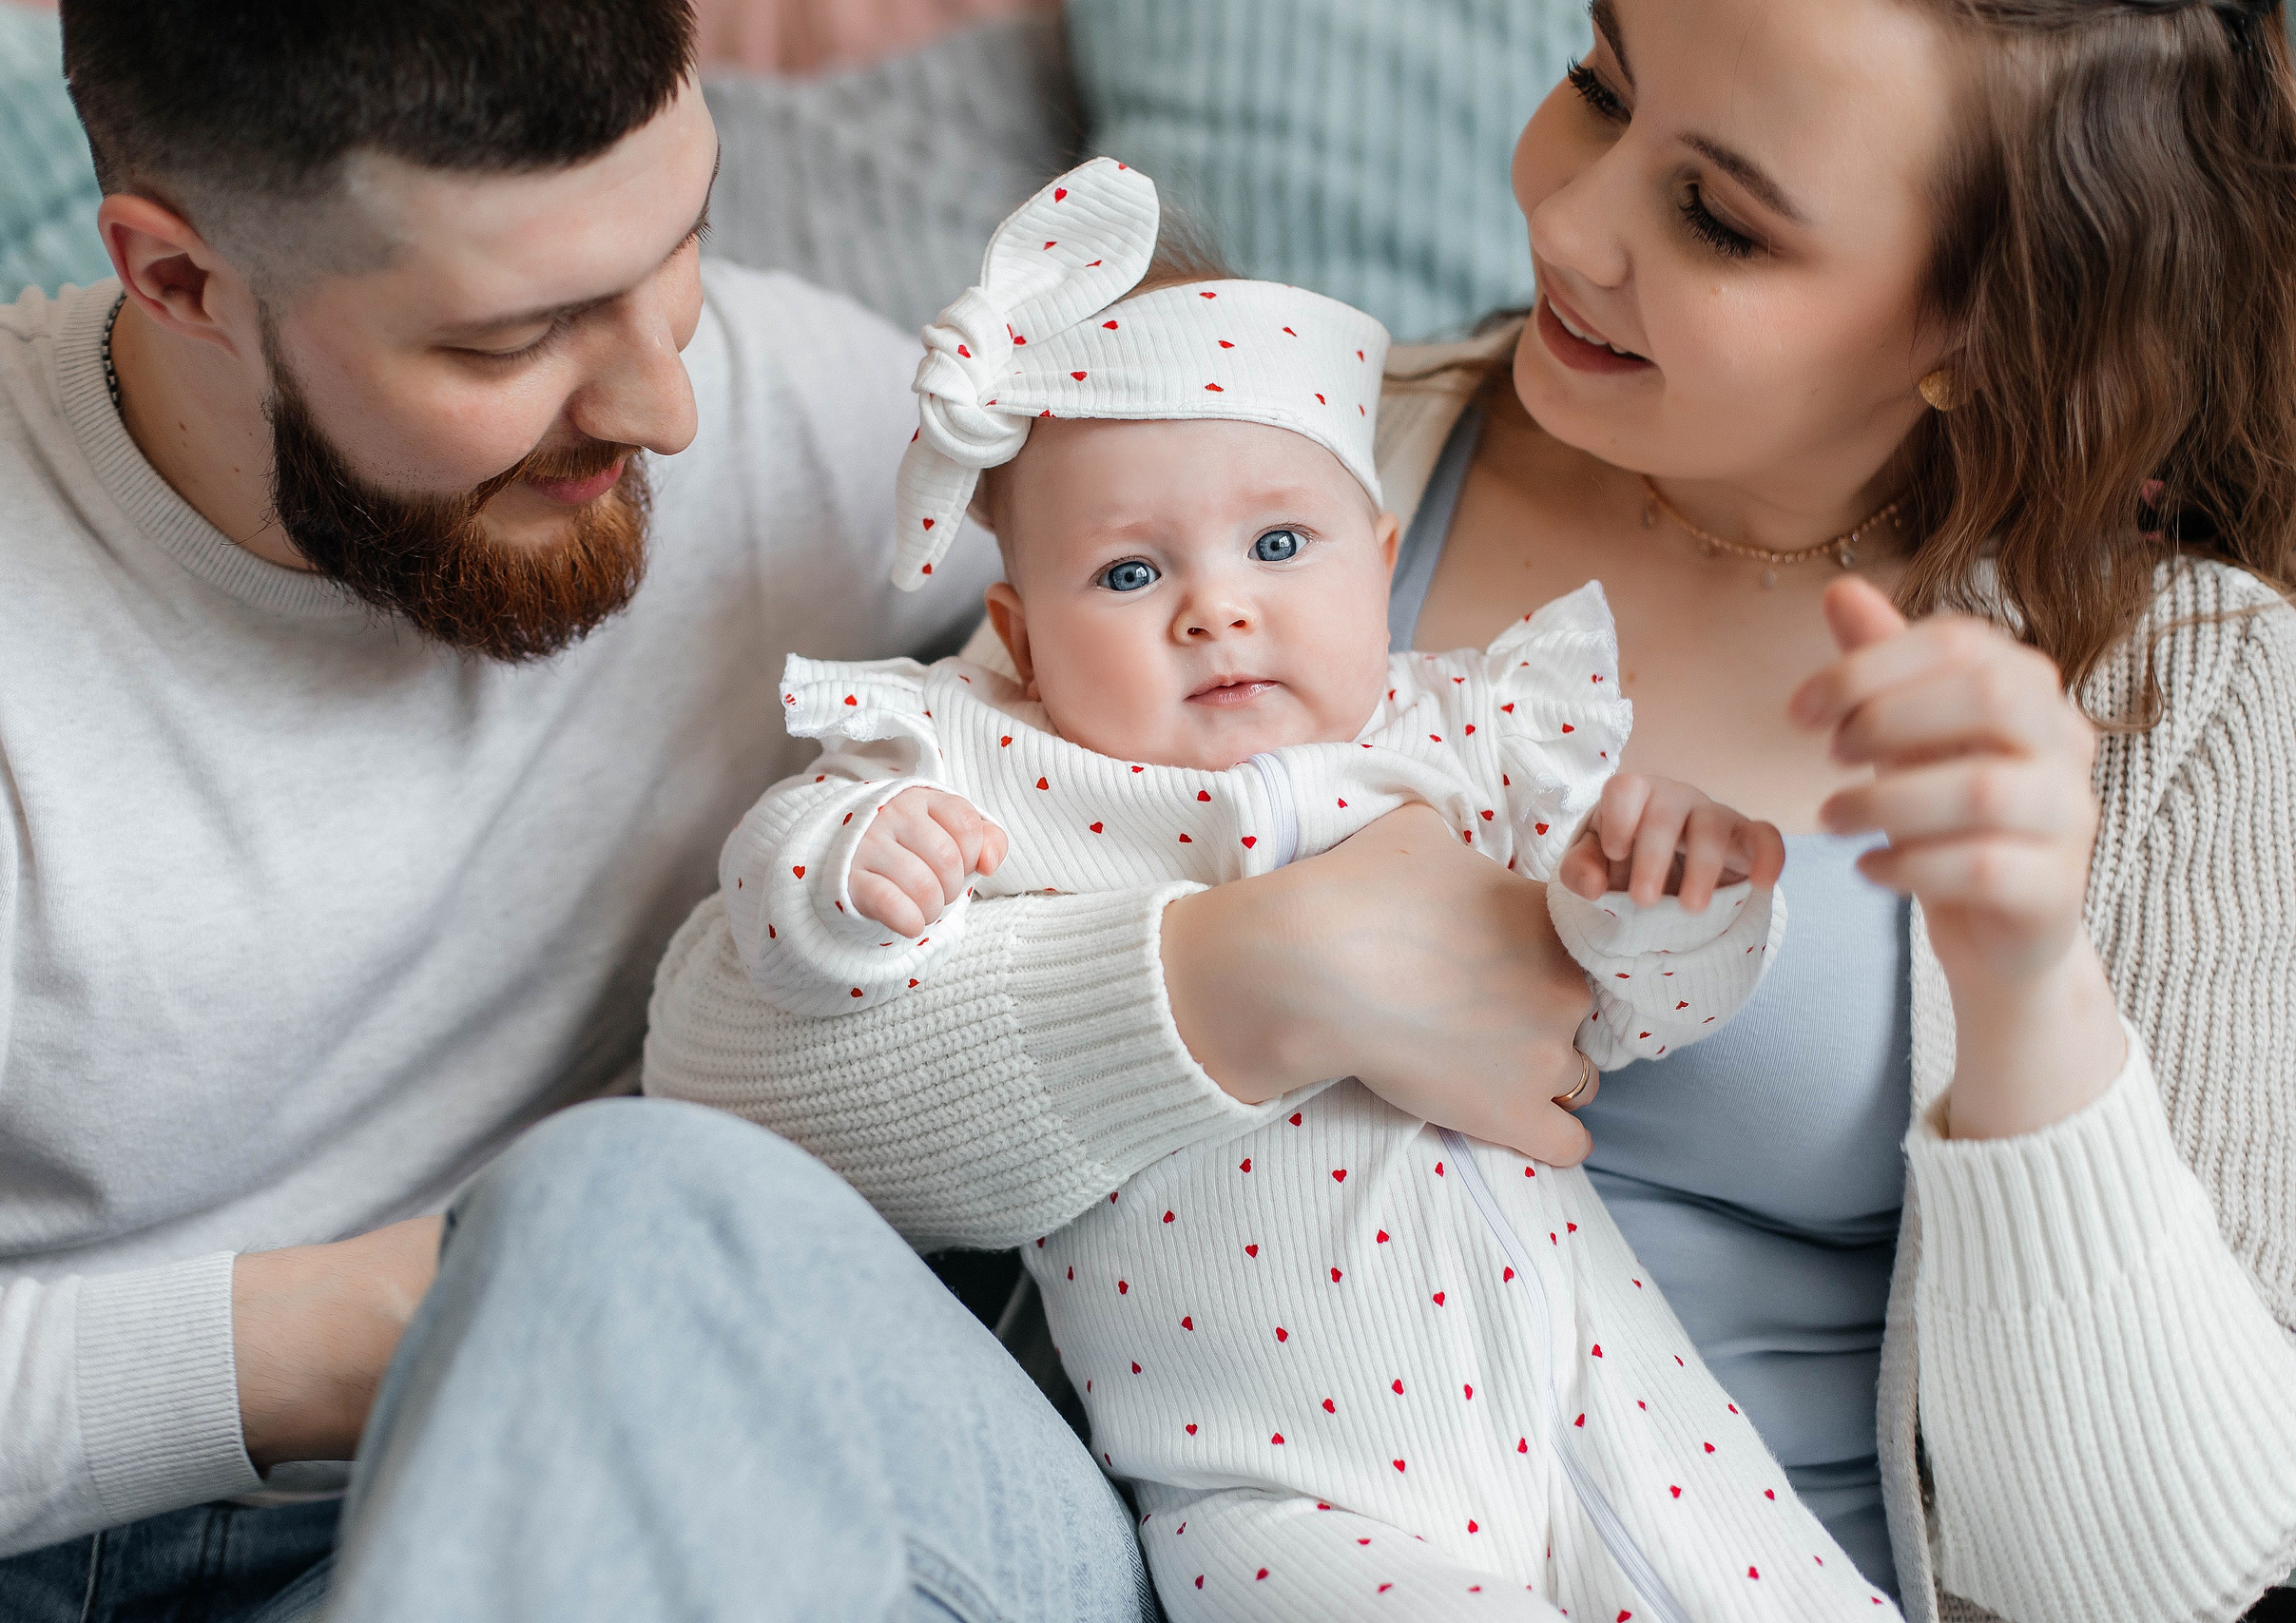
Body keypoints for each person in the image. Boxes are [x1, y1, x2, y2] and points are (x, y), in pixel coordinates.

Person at [653, 1, 2296, 1619]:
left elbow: (2159, 1584)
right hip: (1224, 1521)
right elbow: (724, 1096)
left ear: (1984, 330)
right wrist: (1249, 978)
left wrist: (2026, 998)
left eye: (1718, 218)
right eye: (1598, 85)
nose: (1568, 219)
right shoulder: (1272, 464)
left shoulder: (2194, 694)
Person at [0, 1, 1154, 1618]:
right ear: (175, 278)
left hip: (696, 1435)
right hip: (11, 1551)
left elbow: (1266, 569)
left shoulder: (774, 404)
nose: (666, 405)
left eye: (682, 242)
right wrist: (479, 1298)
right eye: (506, 342)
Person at [714, 156, 1896, 1620]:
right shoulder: (992, 755)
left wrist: (1661, 893)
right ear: (1018, 631)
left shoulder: (1460, 738)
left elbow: (1630, 1011)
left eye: (1280, 546)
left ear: (1379, 563)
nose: (1218, 606)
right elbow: (770, 913)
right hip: (1275, 1480)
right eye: (1131, 576)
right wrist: (849, 867)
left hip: (1601, 1385)